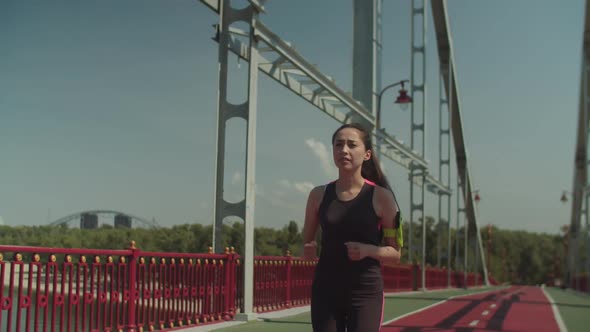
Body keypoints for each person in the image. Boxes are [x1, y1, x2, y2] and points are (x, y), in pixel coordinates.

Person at [302, 123, 402, 332]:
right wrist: (308, 249)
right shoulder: (317, 195)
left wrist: (368, 250)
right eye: (338, 145)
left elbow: (396, 254)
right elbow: (307, 243)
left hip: (365, 291)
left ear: (366, 154)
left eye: (351, 145)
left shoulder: (382, 197)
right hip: (326, 289)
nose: (344, 150)